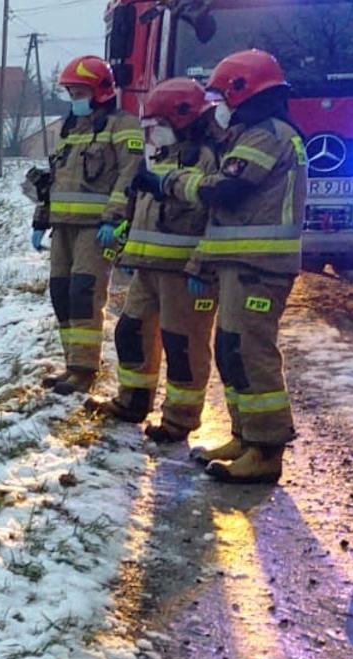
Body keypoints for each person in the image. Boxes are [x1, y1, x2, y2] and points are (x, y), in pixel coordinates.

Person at [135, 49, 304, 484]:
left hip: (260, 265)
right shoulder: (254, 132)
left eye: (222, 96)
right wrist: (204, 261)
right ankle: (245, 437)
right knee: (233, 350)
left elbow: (224, 191)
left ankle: (266, 451)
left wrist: (167, 182)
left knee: (252, 353)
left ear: (242, 92)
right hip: (239, 262)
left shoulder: (268, 135)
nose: (220, 107)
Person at [96, 78, 219, 443]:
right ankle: (133, 400)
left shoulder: (209, 161)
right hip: (149, 269)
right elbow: (146, 212)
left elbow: (217, 216)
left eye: (159, 125)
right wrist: (129, 250)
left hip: (184, 273)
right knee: (131, 332)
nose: (155, 133)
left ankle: (180, 419)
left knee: (183, 346)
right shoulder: (163, 158)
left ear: (183, 119)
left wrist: (203, 264)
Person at [32, 56, 146, 394]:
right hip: (63, 226)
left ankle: (84, 368)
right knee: (61, 294)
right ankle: (72, 363)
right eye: (71, 92)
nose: (74, 98)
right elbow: (55, 178)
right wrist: (41, 218)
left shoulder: (123, 125)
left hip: (96, 228)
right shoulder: (71, 129)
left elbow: (130, 174)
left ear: (100, 91)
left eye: (79, 91)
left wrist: (114, 218)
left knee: (84, 293)